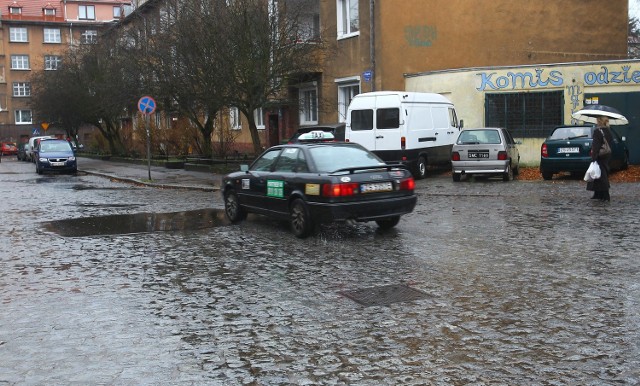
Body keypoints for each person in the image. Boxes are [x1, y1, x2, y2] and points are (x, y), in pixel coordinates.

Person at [587, 116, 614, 201]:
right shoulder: (608, 131)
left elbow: (596, 145)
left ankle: (605, 195)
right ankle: (598, 193)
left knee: (601, 175)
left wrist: (594, 156)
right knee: (600, 173)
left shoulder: (597, 131)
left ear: (599, 121)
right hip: (606, 154)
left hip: (600, 155)